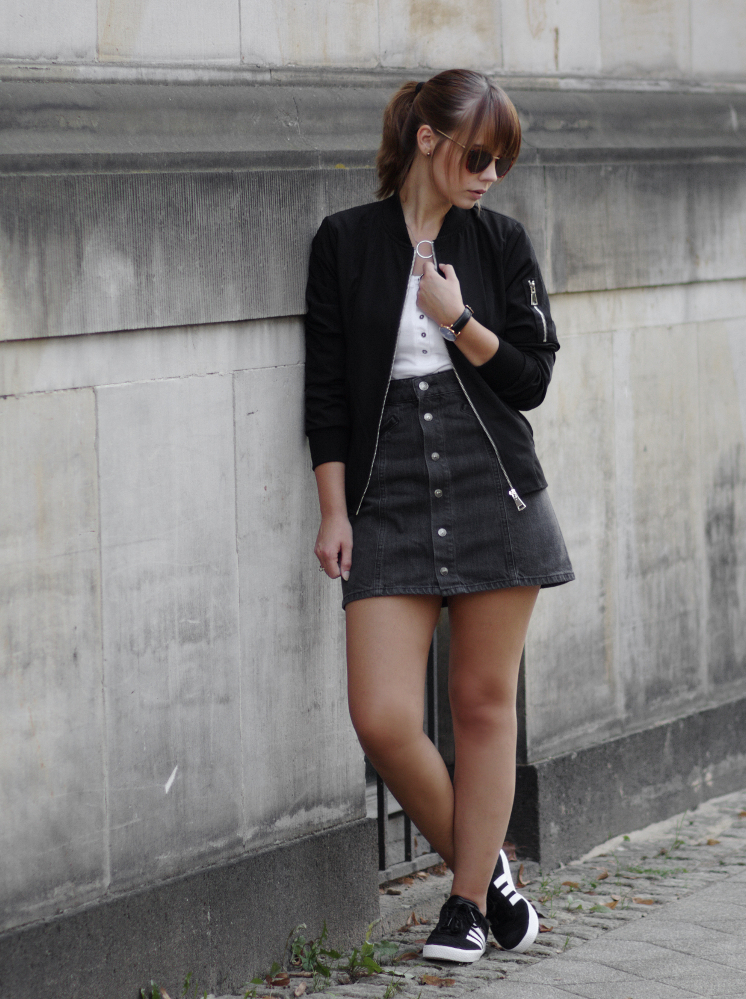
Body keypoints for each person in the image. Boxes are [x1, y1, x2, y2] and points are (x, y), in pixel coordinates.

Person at [304, 68, 574, 965]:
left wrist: (459, 320)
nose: (492, 173)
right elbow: (328, 394)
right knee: (382, 715)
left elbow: (532, 379)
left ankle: (462, 904)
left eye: (504, 161)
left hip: (491, 482)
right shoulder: (343, 243)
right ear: (428, 139)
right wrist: (333, 510)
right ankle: (494, 874)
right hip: (386, 499)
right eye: (479, 154)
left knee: (481, 703)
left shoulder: (499, 244)